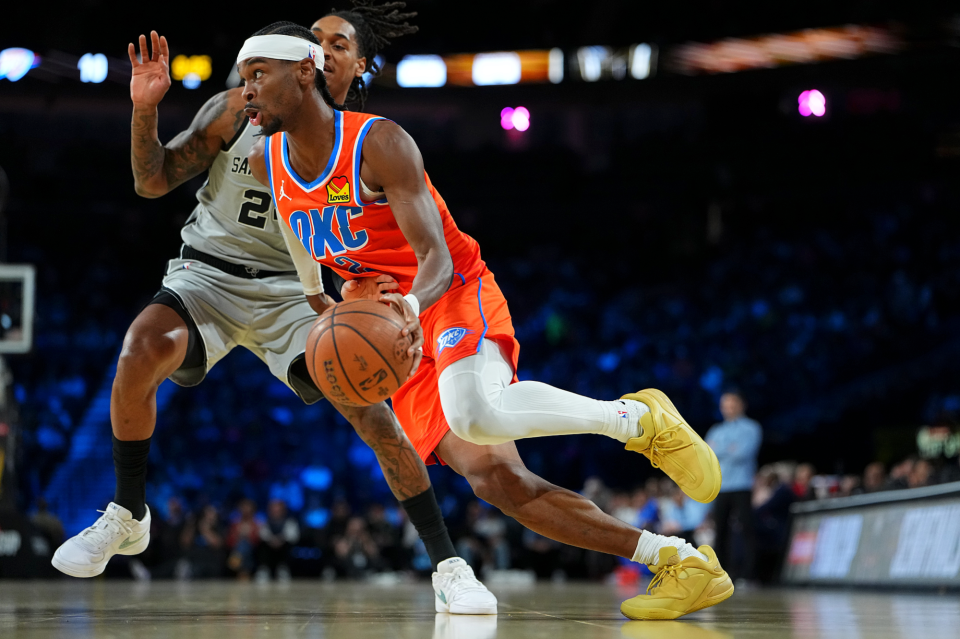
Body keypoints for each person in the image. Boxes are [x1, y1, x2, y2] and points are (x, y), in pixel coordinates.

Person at [240, 18, 731, 620]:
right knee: (497, 481)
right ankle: (679, 562)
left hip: (445, 293)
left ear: (308, 71)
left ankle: (637, 421)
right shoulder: (268, 159)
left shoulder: (379, 142)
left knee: (474, 412)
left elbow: (437, 259)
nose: (246, 89)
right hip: (389, 331)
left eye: (257, 73)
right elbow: (294, 223)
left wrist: (408, 308)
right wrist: (318, 292)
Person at [51, 11, 495, 615]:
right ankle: (129, 513)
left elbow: (393, 242)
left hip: (294, 290)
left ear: (309, 73)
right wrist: (144, 109)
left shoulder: (361, 141)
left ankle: (447, 563)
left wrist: (374, 297)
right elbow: (151, 182)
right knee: (139, 348)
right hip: (208, 274)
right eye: (248, 75)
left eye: (336, 48)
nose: (251, 86)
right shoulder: (235, 112)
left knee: (372, 416)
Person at [705, 390, 762, 583]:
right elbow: (706, 454)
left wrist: (719, 449)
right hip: (720, 486)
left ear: (741, 405)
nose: (728, 408)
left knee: (746, 529)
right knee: (720, 530)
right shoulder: (716, 429)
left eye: (732, 404)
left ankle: (749, 574)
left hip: (742, 485)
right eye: (725, 405)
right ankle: (720, 574)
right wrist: (729, 449)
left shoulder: (751, 428)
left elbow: (744, 453)